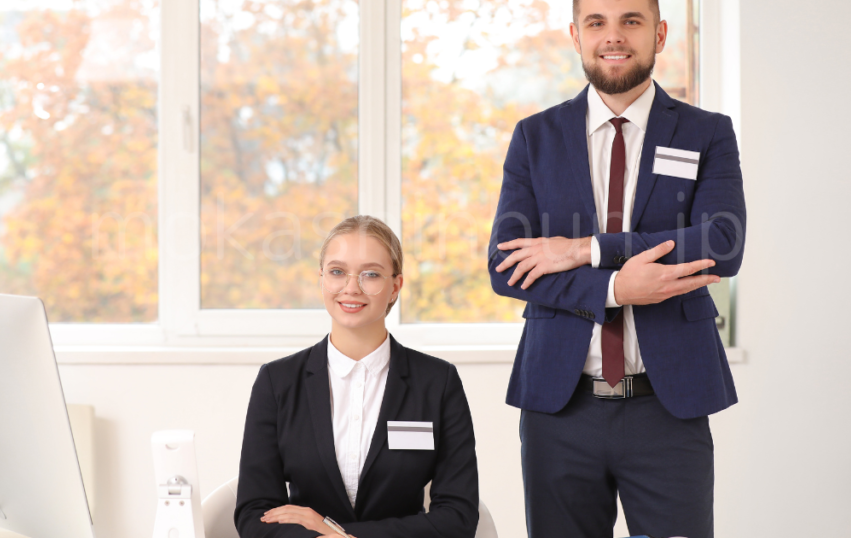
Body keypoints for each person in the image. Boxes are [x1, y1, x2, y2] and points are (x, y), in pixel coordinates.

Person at [487, 0, 746, 536]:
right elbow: (506, 265)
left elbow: (722, 243)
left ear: (660, 33)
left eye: (632, 21)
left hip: (667, 409)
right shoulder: (536, 137)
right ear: (575, 36)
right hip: (561, 410)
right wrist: (614, 287)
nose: (614, 36)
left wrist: (588, 250)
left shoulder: (707, 133)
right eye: (596, 22)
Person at [235, 215, 479, 538]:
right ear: (321, 279)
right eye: (337, 272)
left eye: (371, 275)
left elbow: (458, 516)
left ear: (395, 286)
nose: (351, 288)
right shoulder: (277, 382)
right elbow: (254, 514)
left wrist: (334, 533)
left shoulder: (438, 383)